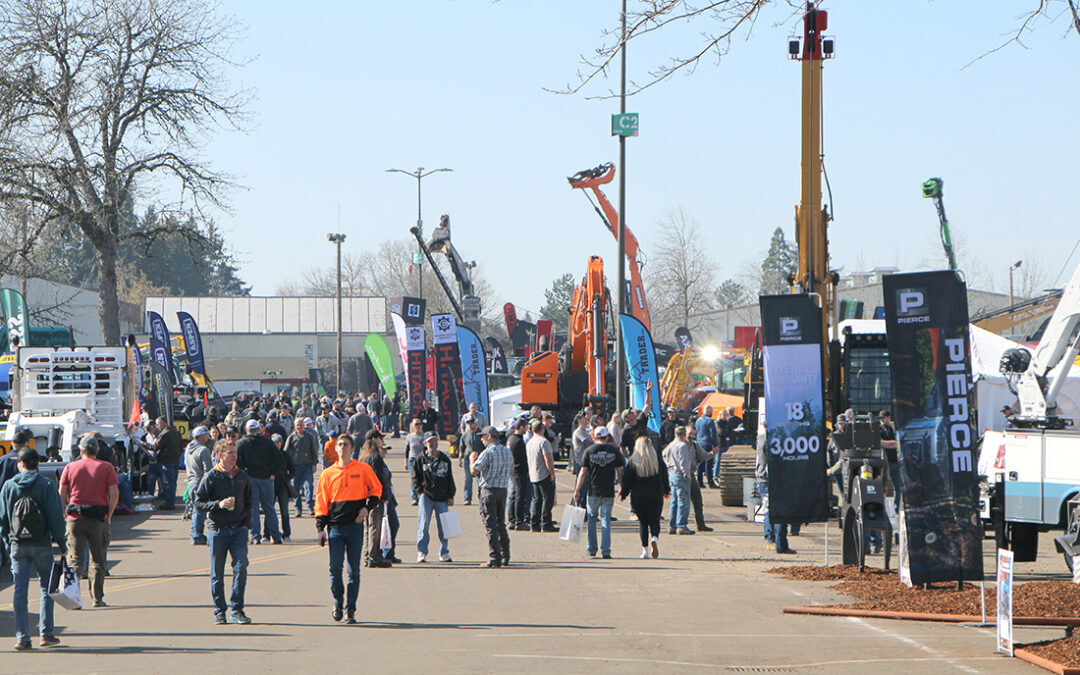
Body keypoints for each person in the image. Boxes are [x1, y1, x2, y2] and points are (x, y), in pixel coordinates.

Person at [0, 449, 67, 649]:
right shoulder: (46, 484)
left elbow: (2, 518)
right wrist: (62, 544)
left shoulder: (8, 486)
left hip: (17, 544)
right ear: (37, 463)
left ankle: (23, 637)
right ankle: (46, 633)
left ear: (20, 464)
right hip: (41, 543)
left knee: (20, 589)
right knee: (46, 587)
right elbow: (56, 517)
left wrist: (6, 541)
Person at [315, 434, 382, 623]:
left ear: (352, 449)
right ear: (335, 449)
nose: (342, 448)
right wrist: (320, 528)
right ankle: (338, 602)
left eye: (346, 445)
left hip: (355, 526)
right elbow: (321, 502)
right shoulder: (328, 474)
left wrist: (366, 508)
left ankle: (350, 609)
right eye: (340, 445)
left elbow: (377, 489)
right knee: (335, 569)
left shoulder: (362, 469)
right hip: (335, 528)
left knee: (354, 571)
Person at [193, 441, 254, 625]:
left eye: (235, 453)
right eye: (230, 453)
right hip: (218, 530)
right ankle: (220, 611)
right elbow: (198, 502)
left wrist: (246, 526)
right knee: (217, 573)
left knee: (241, 567)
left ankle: (237, 609)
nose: (235, 456)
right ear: (220, 455)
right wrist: (218, 505)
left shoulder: (242, 476)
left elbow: (250, 502)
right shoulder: (211, 476)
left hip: (238, 531)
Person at [59, 437, 118, 608]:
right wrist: (109, 514)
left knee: (75, 560)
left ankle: (72, 598)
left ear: (81, 450)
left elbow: (62, 492)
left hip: (75, 518)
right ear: (97, 450)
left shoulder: (70, 467)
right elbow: (114, 493)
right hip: (98, 517)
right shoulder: (106, 467)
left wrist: (64, 512)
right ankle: (97, 598)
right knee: (98, 560)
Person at [573, 425, 624, 559]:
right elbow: (620, 470)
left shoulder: (589, 451)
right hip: (608, 490)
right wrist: (622, 487)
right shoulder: (613, 451)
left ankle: (592, 548)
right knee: (606, 520)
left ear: (594, 437)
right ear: (607, 436)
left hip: (593, 490)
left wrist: (577, 489)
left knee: (591, 519)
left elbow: (583, 472)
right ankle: (606, 550)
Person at [620, 436, 670, 559]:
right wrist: (666, 490)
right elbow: (665, 476)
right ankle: (654, 538)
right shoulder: (657, 460)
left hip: (638, 496)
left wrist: (624, 493)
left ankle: (645, 550)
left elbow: (628, 480)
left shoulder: (633, 461)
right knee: (655, 520)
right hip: (655, 494)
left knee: (643, 523)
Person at [236, 419, 284, 545]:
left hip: (250, 478)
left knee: (253, 509)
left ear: (246, 430)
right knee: (269, 508)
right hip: (266, 479)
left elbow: (237, 461)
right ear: (258, 429)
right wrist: (273, 473)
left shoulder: (241, 443)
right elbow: (278, 457)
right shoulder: (267, 442)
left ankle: (256, 536)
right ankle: (276, 536)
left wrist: (244, 473)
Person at [471, 426, 512, 568]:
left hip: (488, 489)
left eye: (483, 437)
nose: (482, 440)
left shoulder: (487, 452)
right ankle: (505, 555)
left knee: (490, 524)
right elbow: (511, 470)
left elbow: (475, 470)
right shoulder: (507, 451)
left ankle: (495, 557)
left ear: (489, 436)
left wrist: (472, 460)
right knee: (501, 523)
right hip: (502, 489)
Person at [412, 432, 455, 563]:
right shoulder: (420, 459)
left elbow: (449, 478)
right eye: (431, 442)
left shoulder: (444, 459)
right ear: (425, 444)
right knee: (424, 525)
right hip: (426, 497)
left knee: (445, 526)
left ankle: (444, 552)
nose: (433, 444)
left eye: (435, 441)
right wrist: (421, 491)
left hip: (442, 497)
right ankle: (421, 552)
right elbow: (415, 478)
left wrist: (450, 495)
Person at [357, 430, 393, 568]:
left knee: (368, 526)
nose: (381, 441)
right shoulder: (375, 457)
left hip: (364, 496)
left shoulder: (363, 457)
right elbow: (379, 478)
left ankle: (368, 554)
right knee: (375, 527)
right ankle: (374, 556)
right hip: (375, 496)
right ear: (374, 439)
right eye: (380, 438)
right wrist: (383, 496)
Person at [185, 427, 215, 545]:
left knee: (195, 510)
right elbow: (208, 470)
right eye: (206, 434)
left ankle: (194, 534)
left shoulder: (188, 448)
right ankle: (197, 535)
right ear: (201, 436)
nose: (208, 436)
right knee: (200, 510)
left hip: (191, 482)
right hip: (200, 482)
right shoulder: (204, 450)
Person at [526, 419, 557, 532]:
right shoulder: (544, 442)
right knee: (547, 499)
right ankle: (546, 523)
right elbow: (548, 458)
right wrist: (552, 473)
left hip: (534, 474)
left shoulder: (529, 442)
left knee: (536, 499)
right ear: (543, 429)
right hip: (543, 474)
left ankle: (534, 523)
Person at [662, 426, 695, 535]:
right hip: (680, 474)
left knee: (674, 501)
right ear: (684, 434)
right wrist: (687, 474)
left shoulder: (670, 445)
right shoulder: (682, 446)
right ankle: (681, 525)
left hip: (671, 473)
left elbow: (664, 456)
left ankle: (672, 525)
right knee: (683, 500)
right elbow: (684, 462)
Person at [284, 418, 319, 518]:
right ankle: (298, 508)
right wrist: (287, 465)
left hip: (307, 465)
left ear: (304, 426)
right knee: (295, 488)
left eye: (301, 425)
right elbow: (286, 451)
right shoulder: (291, 437)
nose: (299, 427)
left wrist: (314, 463)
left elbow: (314, 450)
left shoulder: (309, 436)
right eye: (298, 425)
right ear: (295, 426)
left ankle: (310, 506)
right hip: (295, 467)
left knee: (310, 486)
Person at [148, 416, 184, 509]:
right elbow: (181, 446)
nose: (157, 426)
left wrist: (144, 444)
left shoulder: (165, 433)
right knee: (173, 482)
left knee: (168, 483)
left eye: (157, 424)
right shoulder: (176, 432)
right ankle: (171, 501)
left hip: (167, 461)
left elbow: (156, 447)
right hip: (175, 460)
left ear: (162, 423)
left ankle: (169, 503)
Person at [506, 417, 532, 530]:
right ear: (521, 427)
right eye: (525, 427)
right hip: (519, 471)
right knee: (520, 497)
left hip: (513, 471)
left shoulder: (511, 439)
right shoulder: (518, 441)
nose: (527, 429)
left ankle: (512, 519)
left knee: (513, 495)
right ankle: (519, 521)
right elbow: (523, 458)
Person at [270, 434, 295, 542]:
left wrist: (287, 478)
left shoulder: (285, 455)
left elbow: (293, 470)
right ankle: (267, 533)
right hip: (270, 486)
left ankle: (287, 533)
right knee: (270, 510)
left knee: (284, 511)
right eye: (274, 443)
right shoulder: (268, 456)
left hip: (283, 487)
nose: (277, 445)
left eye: (278, 442)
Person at [458, 417, 484, 506]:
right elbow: (462, 447)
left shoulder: (480, 434)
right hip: (467, 459)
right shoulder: (465, 435)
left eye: (471, 423)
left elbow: (485, 447)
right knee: (468, 479)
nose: (470, 425)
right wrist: (460, 458)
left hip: (479, 459)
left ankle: (481, 498)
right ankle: (467, 498)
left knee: (480, 479)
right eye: (468, 424)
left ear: (475, 424)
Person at [694, 406, 719, 489]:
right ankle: (710, 482)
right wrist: (715, 444)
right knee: (709, 463)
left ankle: (699, 482)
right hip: (708, 443)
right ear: (709, 411)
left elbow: (696, 432)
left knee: (700, 463)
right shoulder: (710, 421)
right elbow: (713, 433)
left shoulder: (698, 420)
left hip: (699, 443)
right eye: (711, 411)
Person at [404, 419, 425, 505]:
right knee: (413, 478)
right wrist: (405, 462)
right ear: (413, 425)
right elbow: (407, 450)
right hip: (412, 459)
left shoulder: (424, 436)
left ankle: (421, 496)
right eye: (416, 424)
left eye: (420, 424)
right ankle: (414, 498)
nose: (418, 426)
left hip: (422, 459)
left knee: (422, 478)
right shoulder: (409, 437)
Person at [570, 413, 591, 477]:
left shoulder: (585, 432)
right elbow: (588, 443)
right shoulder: (579, 432)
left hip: (586, 462)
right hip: (581, 462)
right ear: (579, 420)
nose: (586, 419)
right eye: (584, 418)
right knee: (582, 484)